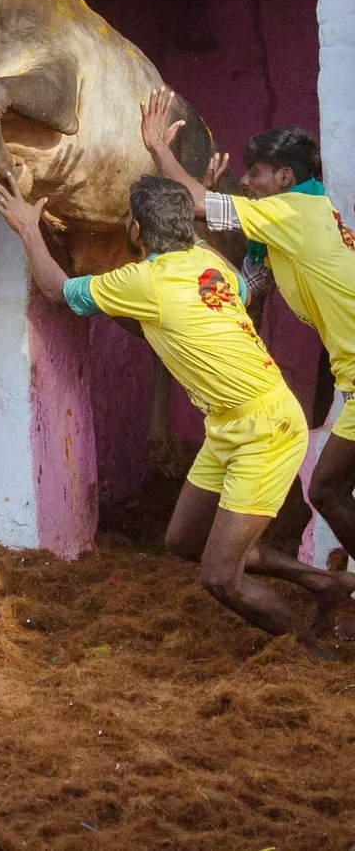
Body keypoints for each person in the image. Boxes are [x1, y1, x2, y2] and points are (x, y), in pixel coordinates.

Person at [0, 171, 355, 657]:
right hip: (230, 423)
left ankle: (311, 651)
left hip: (265, 429)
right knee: (184, 540)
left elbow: (58, 292)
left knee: (221, 577)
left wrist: (28, 229)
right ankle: (327, 584)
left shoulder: (145, 281)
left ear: (136, 231)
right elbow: (242, 291)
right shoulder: (207, 261)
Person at [141, 88, 355, 636]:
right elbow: (243, 289)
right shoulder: (285, 223)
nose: (247, 183)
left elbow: (191, 202)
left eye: (255, 173)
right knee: (327, 488)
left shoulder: (293, 211)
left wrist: (159, 153)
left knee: (327, 489)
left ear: (284, 177)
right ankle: (332, 584)